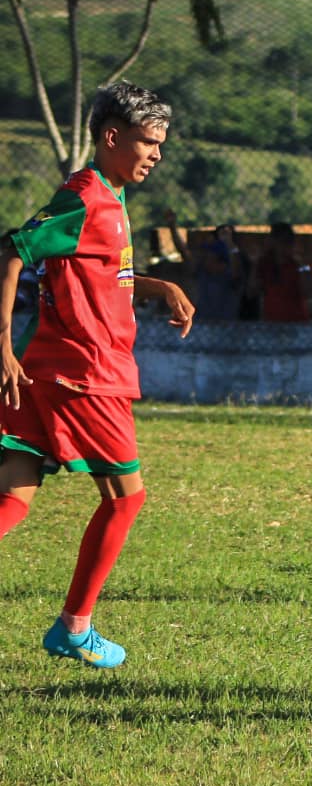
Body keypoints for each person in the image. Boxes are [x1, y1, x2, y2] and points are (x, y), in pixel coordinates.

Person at [0, 82, 194, 669]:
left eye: (160, 143)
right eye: (148, 142)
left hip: (47, 370)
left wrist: (160, 287)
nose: (157, 154)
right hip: (83, 374)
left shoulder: (110, 195)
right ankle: (74, 628)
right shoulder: (85, 198)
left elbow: (100, 275)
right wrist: (1, 345)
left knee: (13, 495)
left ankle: (74, 628)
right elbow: (13, 251)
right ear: (112, 137)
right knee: (126, 499)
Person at [252, 221, 312, 323]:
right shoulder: (265, 264)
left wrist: (303, 265)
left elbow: (309, 292)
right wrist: (255, 264)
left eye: (288, 242)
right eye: (281, 242)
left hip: (297, 321)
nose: (283, 246)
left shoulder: (298, 265)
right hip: (272, 321)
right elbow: (251, 292)